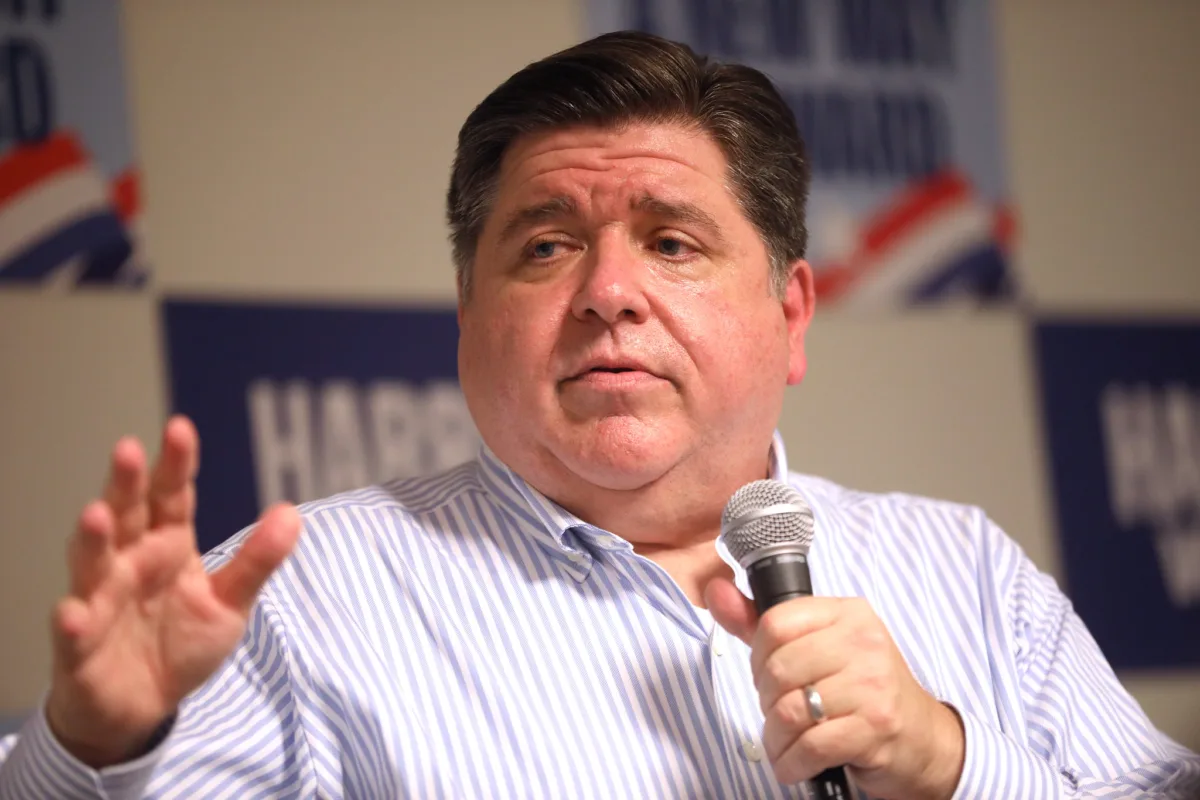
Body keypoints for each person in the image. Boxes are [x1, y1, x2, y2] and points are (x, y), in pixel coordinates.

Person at [1, 30, 1197, 799]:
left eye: (672, 242)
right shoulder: (301, 599)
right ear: (469, 311)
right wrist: (95, 747)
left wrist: (951, 759)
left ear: (791, 314)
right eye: (547, 245)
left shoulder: (965, 567)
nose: (608, 291)